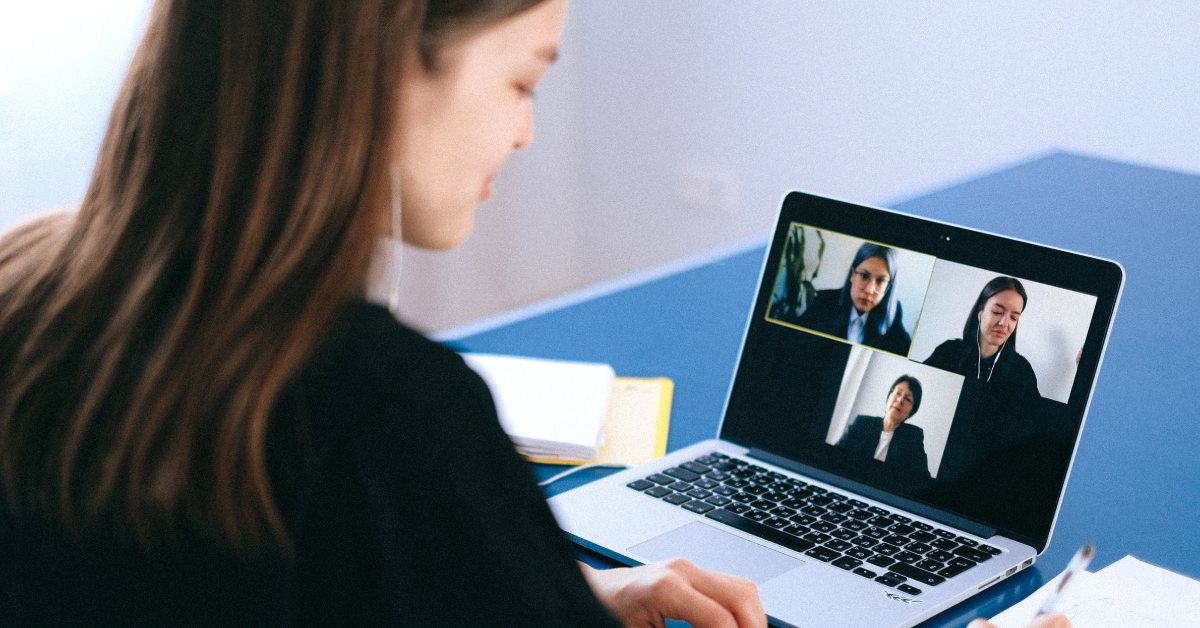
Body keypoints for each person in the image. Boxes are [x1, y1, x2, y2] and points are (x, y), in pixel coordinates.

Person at [0, 1, 1069, 627]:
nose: (523, 136)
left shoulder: (26, 286)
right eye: (521, 81)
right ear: (385, 57)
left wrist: (562, 597)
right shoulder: (390, 414)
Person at [923, 276, 1039, 398]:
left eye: (1013, 317)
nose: (1004, 323)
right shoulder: (948, 352)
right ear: (980, 311)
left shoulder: (1021, 370)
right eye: (997, 312)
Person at [795, 243, 912, 356]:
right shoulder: (826, 301)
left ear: (888, 287)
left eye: (880, 281)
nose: (870, 290)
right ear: (852, 275)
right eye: (864, 276)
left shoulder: (892, 315)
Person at [836, 375, 930, 478]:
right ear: (888, 397)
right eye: (898, 393)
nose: (900, 400)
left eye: (907, 399)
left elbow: (922, 478)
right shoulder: (862, 423)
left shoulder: (913, 436)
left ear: (911, 412)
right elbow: (836, 455)